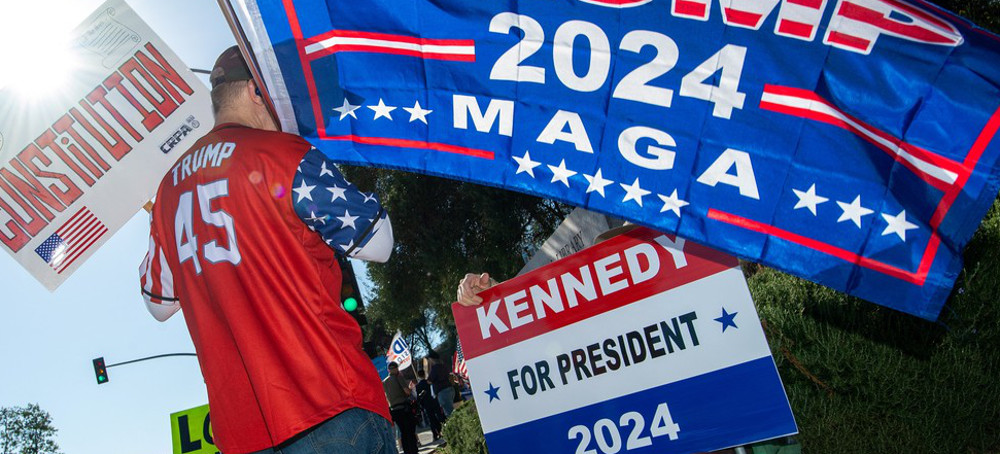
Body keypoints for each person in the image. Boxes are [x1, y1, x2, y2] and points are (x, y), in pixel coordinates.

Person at [138, 46, 396, 454]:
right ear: (257, 91)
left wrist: (159, 221)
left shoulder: (167, 193)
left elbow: (159, 305)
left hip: (243, 434)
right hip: (330, 403)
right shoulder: (284, 154)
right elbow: (378, 242)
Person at [383, 362, 419, 454]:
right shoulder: (398, 377)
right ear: (396, 368)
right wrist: (411, 389)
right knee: (410, 431)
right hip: (404, 408)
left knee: (403, 432)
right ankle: (413, 451)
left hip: (394, 410)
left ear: (388, 370)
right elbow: (407, 392)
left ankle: (407, 451)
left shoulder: (385, 382)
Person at [415, 369, 444, 439]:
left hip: (426, 404)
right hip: (434, 401)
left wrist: (421, 405)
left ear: (418, 376)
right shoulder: (429, 382)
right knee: (439, 415)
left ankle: (435, 434)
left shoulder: (418, 386)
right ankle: (442, 430)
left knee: (431, 419)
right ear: (424, 374)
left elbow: (418, 397)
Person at [425, 352, 455, 417]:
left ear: (431, 359)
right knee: (451, 410)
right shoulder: (443, 366)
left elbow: (429, 381)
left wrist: (428, 369)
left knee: (450, 414)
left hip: (443, 392)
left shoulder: (435, 368)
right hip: (450, 388)